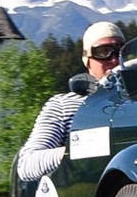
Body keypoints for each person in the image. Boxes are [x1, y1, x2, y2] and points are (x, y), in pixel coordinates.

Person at [17, 21, 125, 181]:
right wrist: (77, 151)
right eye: (103, 52)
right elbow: (27, 163)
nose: (114, 60)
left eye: (120, 52)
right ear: (87, 59)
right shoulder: (63, 106)